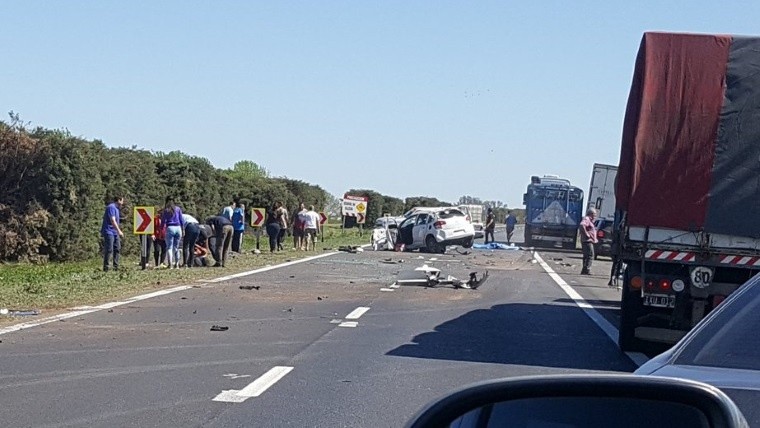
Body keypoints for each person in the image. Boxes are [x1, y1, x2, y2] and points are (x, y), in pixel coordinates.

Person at [100, 196, 124, 271]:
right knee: (109, 249)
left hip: (114, 232)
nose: (122, 203)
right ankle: (106, 268)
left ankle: (115, 267)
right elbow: (113, 220)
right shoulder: (111, 207)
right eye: (122, 201)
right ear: (119, 200)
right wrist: (119, 231)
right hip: (109, 231)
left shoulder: (117, 209)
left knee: (117, 248)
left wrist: (117, 231)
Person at [161, 196, 185, 269]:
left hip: (170, 227)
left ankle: (170, 264)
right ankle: (177, 264)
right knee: (176, 247)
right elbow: (181, 220)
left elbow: (163, 221)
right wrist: (183, 229)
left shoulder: (166, 210)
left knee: (169, 247)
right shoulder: (178, 209)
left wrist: (162, 229)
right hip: (178, 228)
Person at [580, 208, 599, 275]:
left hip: (588, 241)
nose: (595, 216)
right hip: (587, 241)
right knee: (590, 255)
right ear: (591, 214)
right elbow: (582, 225)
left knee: (586, 256)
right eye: (594, 215)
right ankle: (587, 270)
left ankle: (584, 270)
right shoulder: (587, 219)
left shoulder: (590, 220)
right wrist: (586, 234)